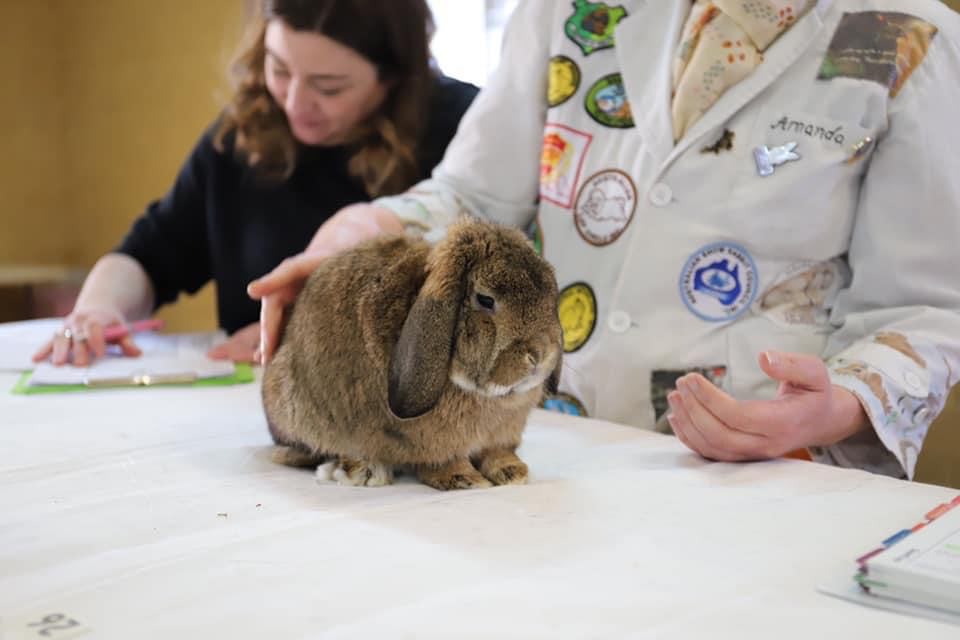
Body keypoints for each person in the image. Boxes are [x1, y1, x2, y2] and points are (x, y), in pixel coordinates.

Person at [250, 0, 960, 480]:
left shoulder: (898, 31)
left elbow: (923, 310)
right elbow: (469, 199)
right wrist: (353, 240)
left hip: (769, 471)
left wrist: (837, 403)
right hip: (554, 449)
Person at [33, 0, 478, 366]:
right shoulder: (241, 135)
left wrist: (301, 332)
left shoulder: (469, 136)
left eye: (329, 87)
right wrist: (98, 308)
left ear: (394, 78)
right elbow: (150, 253)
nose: (295, 102)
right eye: (279, 68)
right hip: (251, 409)